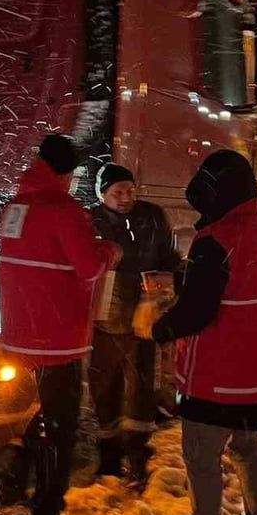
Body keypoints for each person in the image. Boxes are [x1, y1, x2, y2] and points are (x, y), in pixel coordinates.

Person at [140, 149, 257, 515]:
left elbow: (198, 312)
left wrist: (159, 328)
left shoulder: (217, 241)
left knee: (201, 458)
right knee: (248, 449)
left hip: (218, 377)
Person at [0, 134, 122, 515]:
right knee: (62, 425)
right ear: (68, 173)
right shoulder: (65, 211)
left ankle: (21, 473)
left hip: (22, 331)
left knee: (47, 414)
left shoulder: (15, 206)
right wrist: (109, 251)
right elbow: (88, 269)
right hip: (58, 337)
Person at [87, 164, 181, 485]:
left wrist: (163, 292)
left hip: (144, 322)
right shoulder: (90, 221)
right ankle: (109, 459)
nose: (126, 198)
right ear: (102, 194)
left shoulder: (152, 216)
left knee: (142, 390)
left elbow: (170, 260)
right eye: (117, 193)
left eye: (130, 191)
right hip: (104, 324)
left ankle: (138, 458)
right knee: (104, 389)